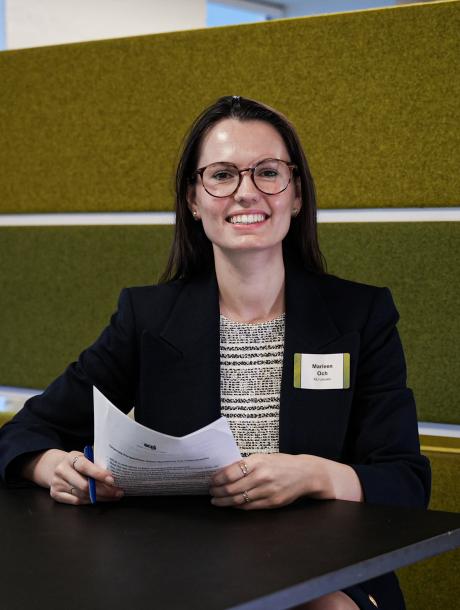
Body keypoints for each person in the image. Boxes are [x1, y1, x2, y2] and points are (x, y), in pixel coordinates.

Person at [0, 95, 430, 609]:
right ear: (193, 200)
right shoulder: (148, 318)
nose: (247, 193)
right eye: (222, 175)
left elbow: (405, 481)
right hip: (182, 572)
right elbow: (22, 435)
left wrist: (315, 474)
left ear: (295, 195)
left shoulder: (361, 316)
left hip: (327, 574)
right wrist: (51, 467)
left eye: (268, 173)